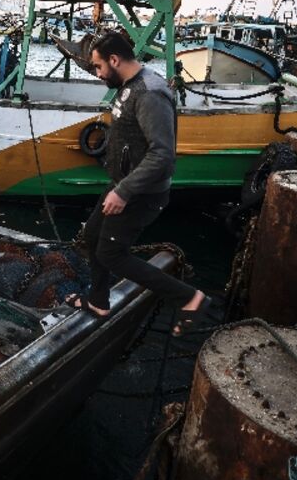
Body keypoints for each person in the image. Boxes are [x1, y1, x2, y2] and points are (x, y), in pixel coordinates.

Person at [67, 32, 208, 335]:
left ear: (114, 60)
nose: (98, 73)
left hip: (140, 193)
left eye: (98, 67)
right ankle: (99, 301)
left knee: (111, 254)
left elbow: (163, 156)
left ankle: (190, 297)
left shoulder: (149, 94)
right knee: (93, 236)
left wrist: (124, 191)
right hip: (122, 184)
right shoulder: (129, 86)